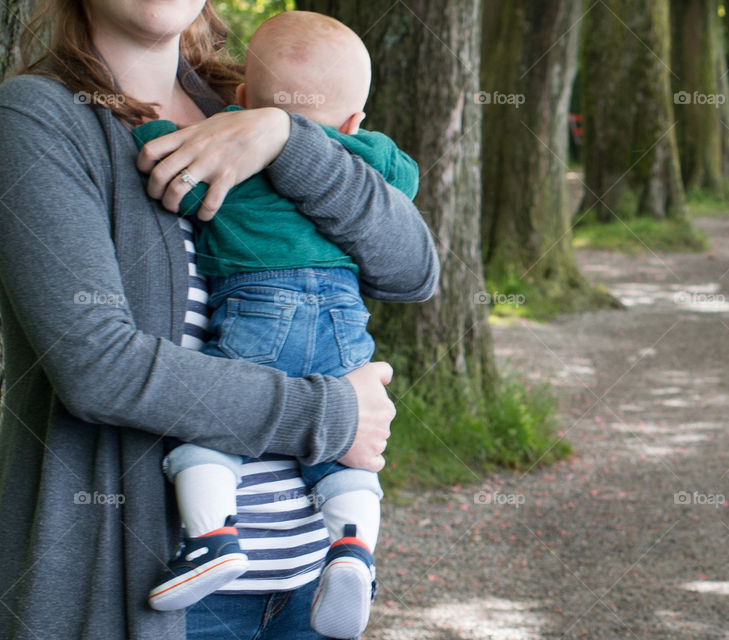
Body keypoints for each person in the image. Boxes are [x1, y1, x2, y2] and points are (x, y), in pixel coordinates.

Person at [0, 2, 439, 640]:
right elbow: (98, 367)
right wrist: (330, 415)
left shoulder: (256, 95)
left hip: (305, 586)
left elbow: (413, 271)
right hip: (164, 598)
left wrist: (288, 140)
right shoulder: (37, 119)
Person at [133, 13, 419, 639]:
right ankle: (353, 548)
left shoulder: (219, 147)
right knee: (350, 455)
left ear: (240, 99)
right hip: (344, 322)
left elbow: (169, 177)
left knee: (212, 433)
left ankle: (212, 539)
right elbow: (405, 195)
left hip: (259, 310)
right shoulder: (375, 157)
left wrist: (163, 129)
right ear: (354, 120)